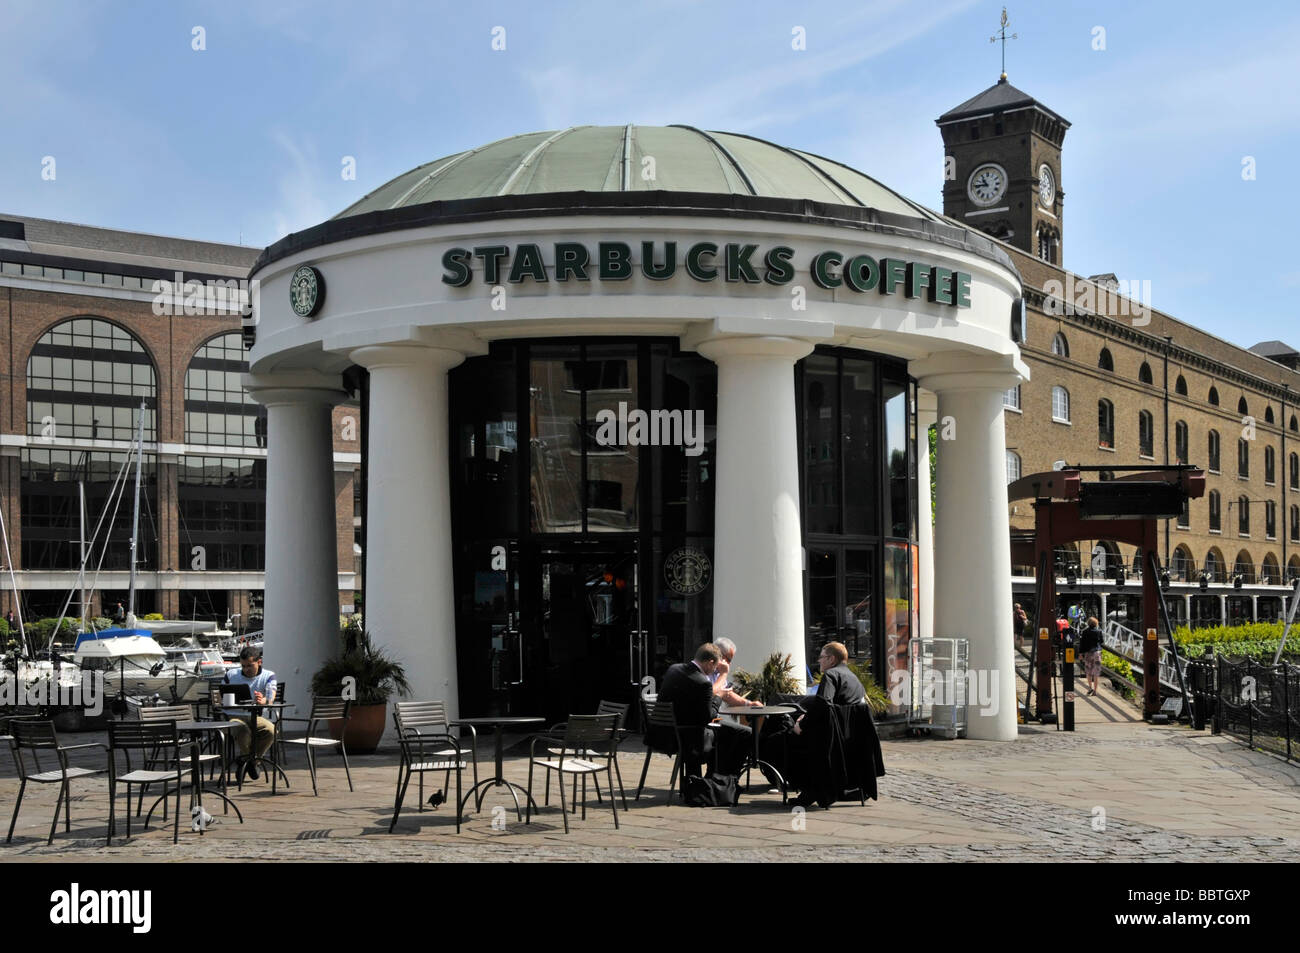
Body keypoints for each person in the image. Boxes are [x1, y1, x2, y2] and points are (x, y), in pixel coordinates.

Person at [653, 643, 751, 782]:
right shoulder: (702, 682)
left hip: (664, 733)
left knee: (724, 729)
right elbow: (708, 716)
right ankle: (724, 779)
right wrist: (719, 695)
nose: (715, 670)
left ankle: (713, 776)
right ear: (710, 663)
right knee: (743, 732)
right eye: (715, 667)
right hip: (688, 736)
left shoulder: (674, 669)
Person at [222, 646, 278, 779]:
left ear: (259, 662)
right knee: (243, 730)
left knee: (271, 730)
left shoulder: (269, 676)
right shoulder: (231, 675)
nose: (246, 669)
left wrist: (263, 700)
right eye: (243, 666)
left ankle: (248, 761)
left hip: (255, 716)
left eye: (249, 666)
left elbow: (270, 698)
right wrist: (221, 700)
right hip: (233, 716)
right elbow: (220, 696)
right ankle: (252, 762)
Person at [711, 638, 762, 709]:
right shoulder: (704, 669)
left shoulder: (719, 673)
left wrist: (749, 704)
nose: (729, 664)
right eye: (728, 660)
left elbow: (728, 696)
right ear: (719, 655)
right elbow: (709, 694)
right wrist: (724, 674)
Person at [812, 641, 866, 706]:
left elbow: (823, 706)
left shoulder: (830, 675)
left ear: (831, 659)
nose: (819, 661)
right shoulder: (854, 678)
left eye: (821, 657)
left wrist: (806, 716)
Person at [1078, 616, 1104, 697]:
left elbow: (1082, 644)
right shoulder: (1099, 631)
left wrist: (1080, 653)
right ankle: (1095, 691)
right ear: (1096, 623)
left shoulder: (1085, 632)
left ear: (1088, 623)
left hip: (1088, 653)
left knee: (1088, 672)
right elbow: (1102, 641)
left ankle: (1090, 688)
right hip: (1097, 653)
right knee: (1096, 673)